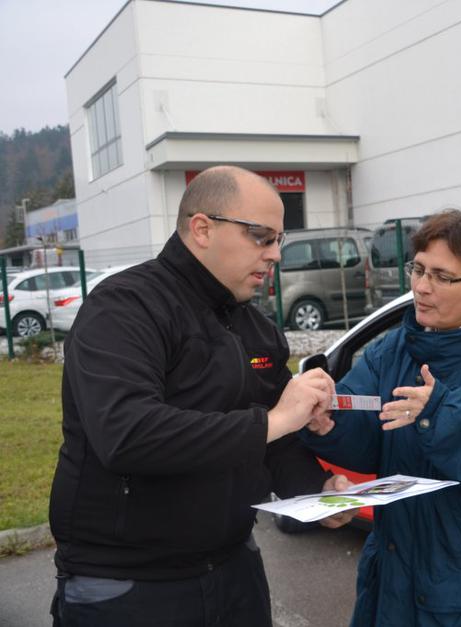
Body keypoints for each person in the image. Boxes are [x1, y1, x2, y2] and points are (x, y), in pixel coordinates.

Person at [48, 165, 354, 627]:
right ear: (202, 229)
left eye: (279, 240)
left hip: (235, 568)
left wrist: (316, 492)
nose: (274, 254)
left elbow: (275, 441)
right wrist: (275, 420)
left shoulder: (256, 328)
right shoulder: (125, 307)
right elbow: (128, 433)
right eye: (261, 236)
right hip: (130, 584)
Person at [299, 210, 461, 626]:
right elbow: (367, 440)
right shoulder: (390, 351)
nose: (421, 287)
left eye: (442, 276)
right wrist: (328, 423)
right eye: (418, 270)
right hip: (393, 583)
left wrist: (441, 413)